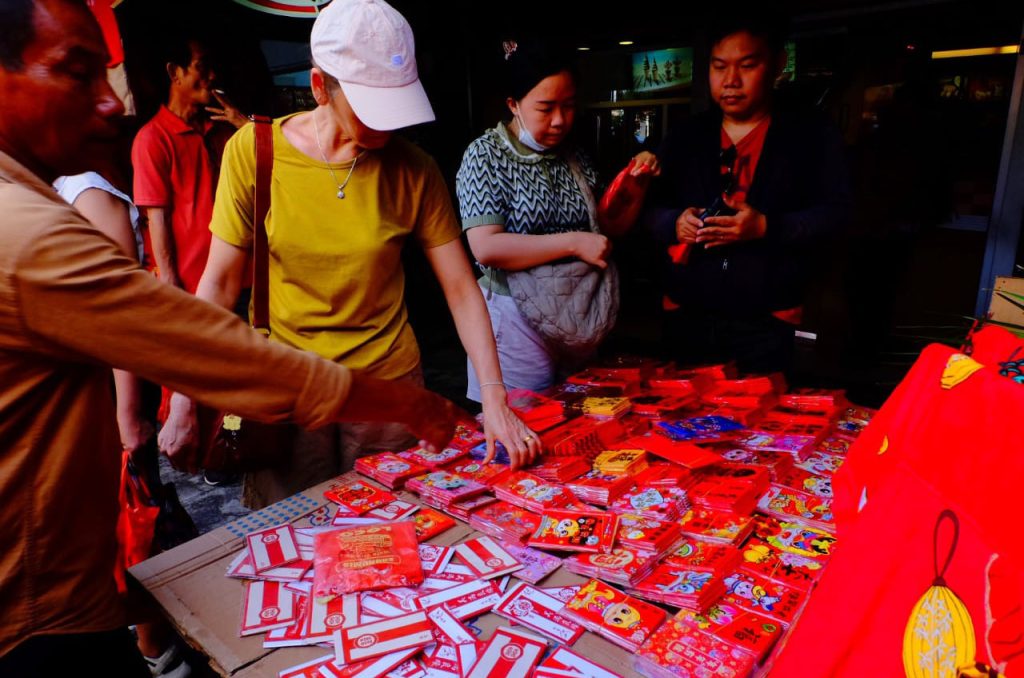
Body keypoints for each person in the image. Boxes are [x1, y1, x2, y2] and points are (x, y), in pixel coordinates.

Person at [0, 0, 458, 673]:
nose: (108, 103)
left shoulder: (411, 168)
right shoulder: (29, 233)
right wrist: (413, 405)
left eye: (107, 75)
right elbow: (216, 343)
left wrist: (136, 421)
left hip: (56, 585)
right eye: (75, 73)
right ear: (321, 87)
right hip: (35, 615)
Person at [159, 0, 539, 510]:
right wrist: (185, 396)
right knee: (291, 537)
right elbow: (220, 284)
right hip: (289, 390)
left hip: (388, 389)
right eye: (370, 107)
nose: (389, 126)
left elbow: (460, 288)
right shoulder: (255, 151)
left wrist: (494, 398)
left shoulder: (415, 170)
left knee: (394, 534)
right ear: (320, 87)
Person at [645, 8, 852, 374]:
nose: (731, 81)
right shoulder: (685, 135)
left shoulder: (811, 135)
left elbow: (839, 215)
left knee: (762, 425)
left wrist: (767, 228)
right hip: (688, 313)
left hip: (770, 320)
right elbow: (648, 210)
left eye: (747, 65)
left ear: (777, 64)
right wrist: (673, 223)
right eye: (719, 66)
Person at [456, 39, 658, 399]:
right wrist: (573, 242)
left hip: (578, 313)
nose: (560, 120)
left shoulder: (574, 154)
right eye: (545, 108)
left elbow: (605, 232)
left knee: (578, 421)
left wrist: (636, 188)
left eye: (568, 106)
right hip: (516, 318)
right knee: (525, 424)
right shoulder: (485, 155)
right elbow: (485, 246)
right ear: (513, 104)